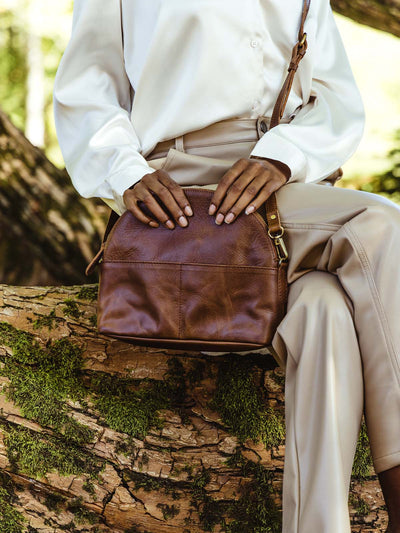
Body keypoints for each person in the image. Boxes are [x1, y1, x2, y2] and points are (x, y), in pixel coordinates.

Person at [53, 1, 400, 531]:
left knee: (324, 311)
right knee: (380, 225)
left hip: (287, 178)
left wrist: (282, 155)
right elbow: (87, 86)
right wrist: (122, 171)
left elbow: (334, 99)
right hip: (183, 185)